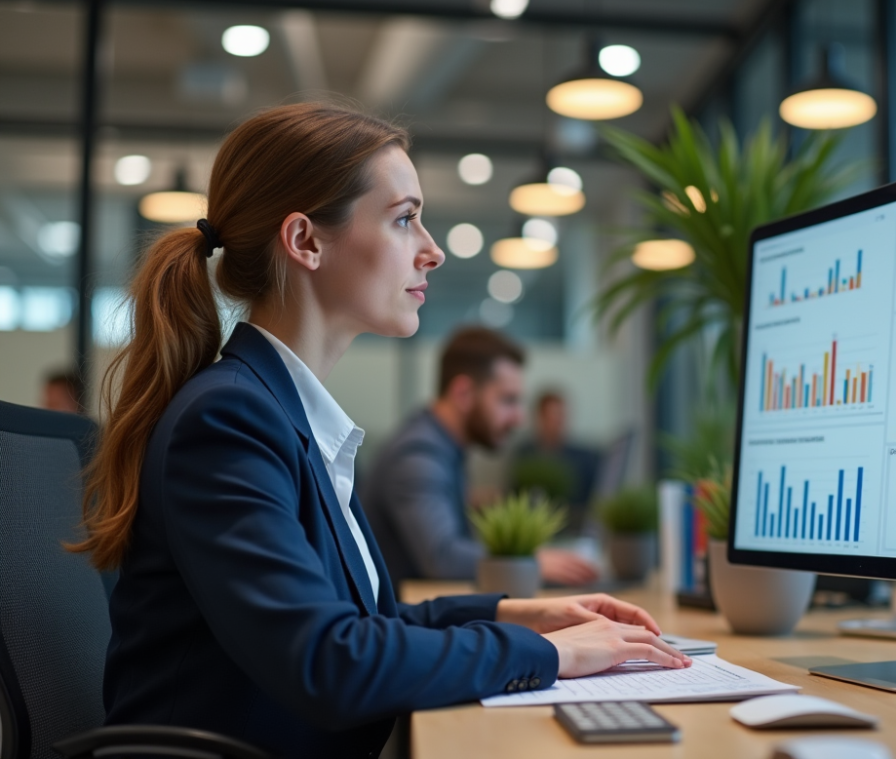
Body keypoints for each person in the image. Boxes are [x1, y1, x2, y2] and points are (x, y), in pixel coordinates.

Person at [70, 103, 688, 759]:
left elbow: (370, 621)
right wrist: (551, 655)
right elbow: (329, 661)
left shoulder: (279, 413)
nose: (432, 249)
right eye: (403, 218)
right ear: (306, 241)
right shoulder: (228, 421)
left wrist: (518, 613)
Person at [362, 328, 599, 586]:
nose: (519, 418)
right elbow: (442, 557)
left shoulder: (445, 448)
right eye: (508, 400)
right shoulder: (419, 454)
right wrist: (529, 561)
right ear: (463, 394)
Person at [511, 390, 601, 535]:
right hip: (535, 530)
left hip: (574, 528)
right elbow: (515, 497)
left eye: (562, 415)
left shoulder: (585, 457)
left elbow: (595, 499)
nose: (559, 421)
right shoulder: (525, 455)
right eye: (553, 415)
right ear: (540, 418)